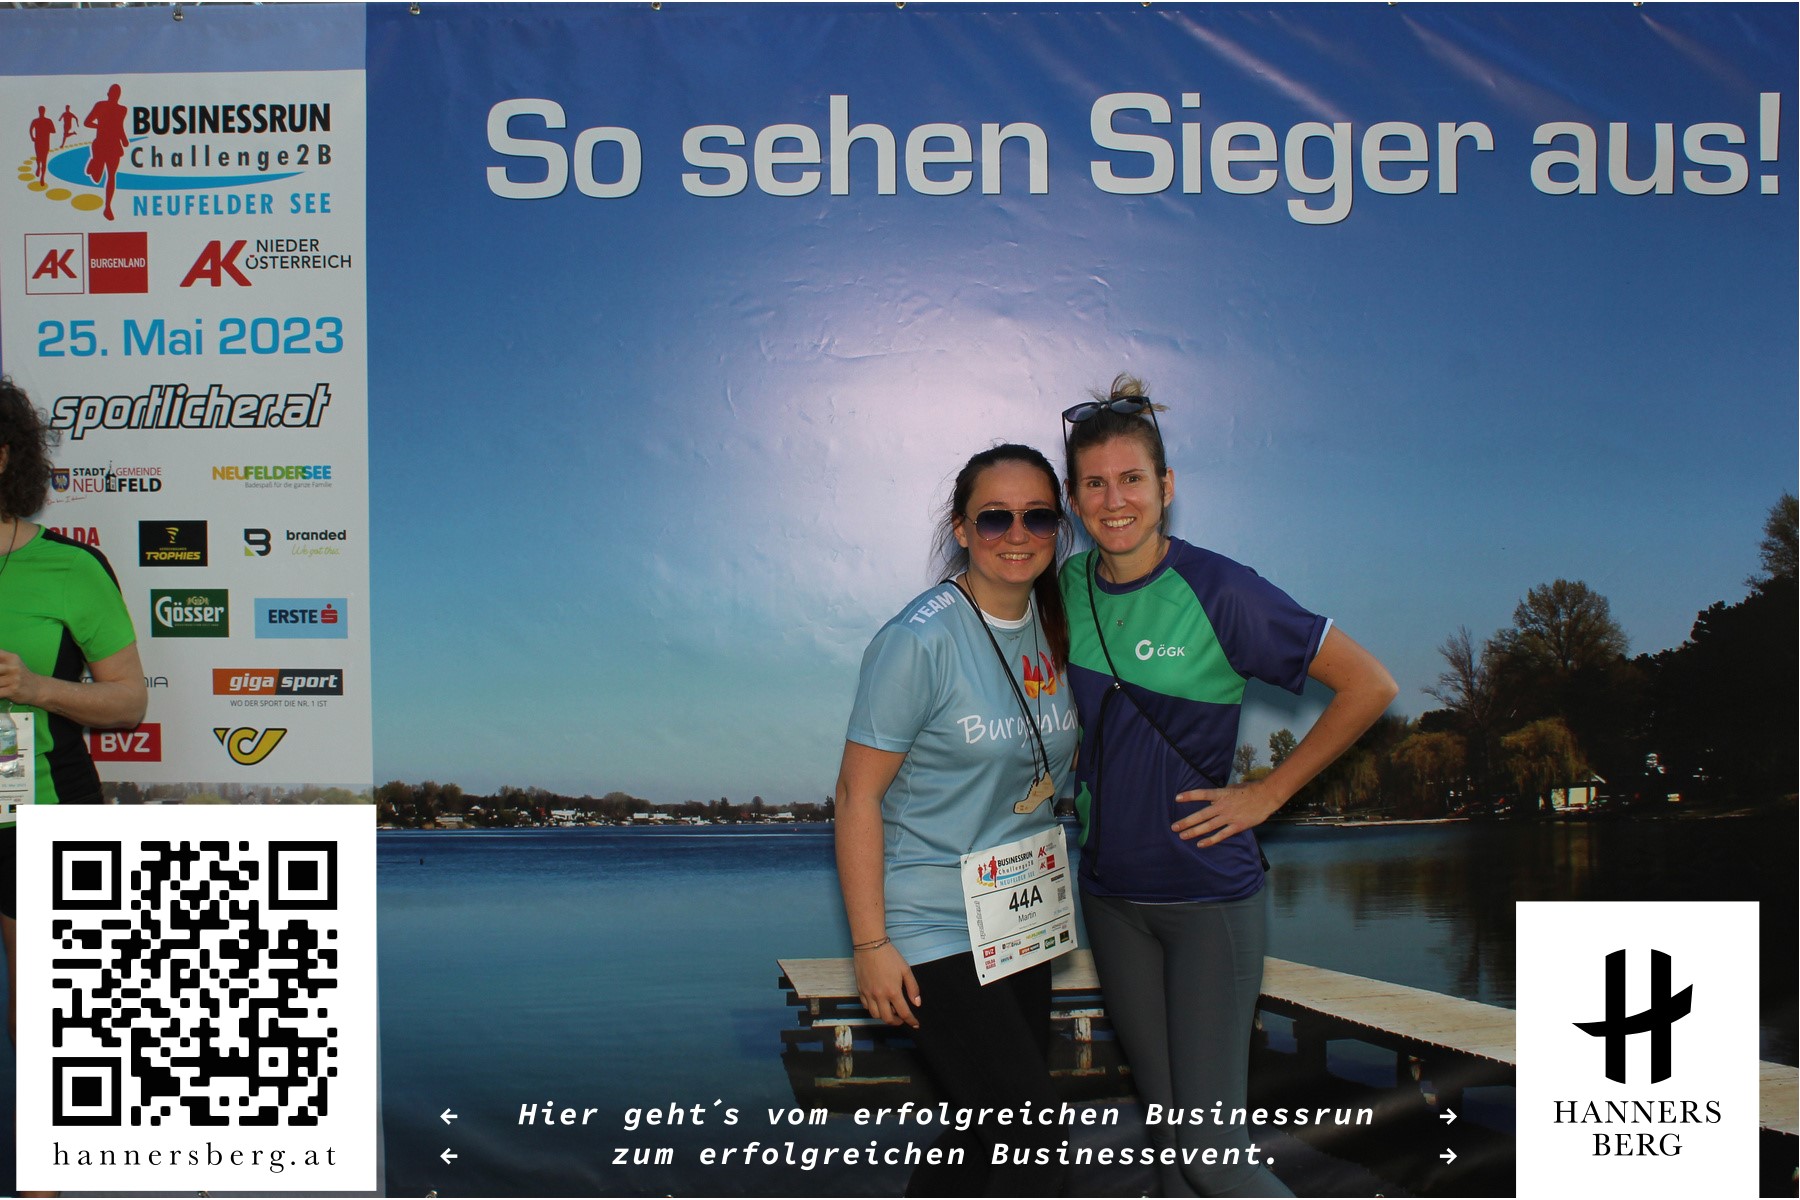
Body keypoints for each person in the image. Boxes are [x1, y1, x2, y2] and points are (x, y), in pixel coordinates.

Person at [1059, 376, 1397, 1198]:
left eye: (1132, 479)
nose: (1114, 501)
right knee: (1170, 1143)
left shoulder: (1220, 589)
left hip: (1206, 898)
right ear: (1072, 500)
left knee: (1214, 1154)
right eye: (1095, 484)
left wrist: (1269, 794)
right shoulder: (1064, 590)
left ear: (1166, 486)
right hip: (1111, 898)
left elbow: (1370, 685)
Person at [834, 443, 1079, 1197]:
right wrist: (871, 945)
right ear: (962, 529)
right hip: (932, 923)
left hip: (1020, 920)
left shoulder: (1056, 620)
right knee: (1034, 1133)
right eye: (995, 517)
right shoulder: (918, 640)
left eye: (1038, 517)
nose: (1018, 534)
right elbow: (855, 797)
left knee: (990, 1137)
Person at [0, 378, 147, 1046]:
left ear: (5, 455)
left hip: (43, 807)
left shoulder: (72, 566)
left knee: (45, 1017)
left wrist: (34, 688)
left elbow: (129, 701)